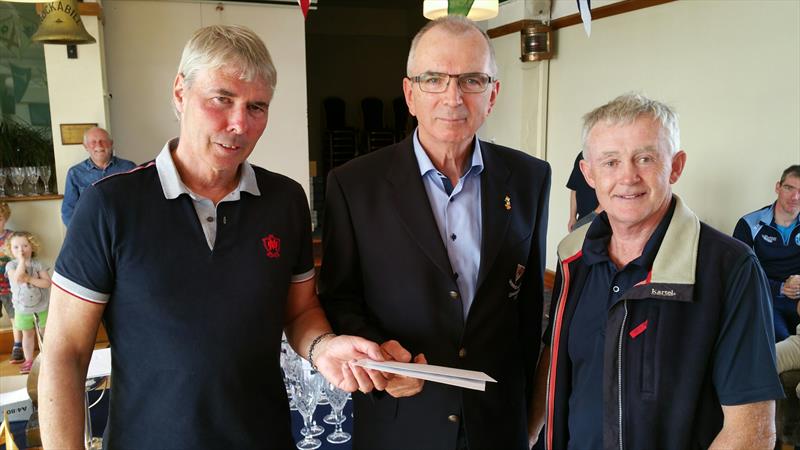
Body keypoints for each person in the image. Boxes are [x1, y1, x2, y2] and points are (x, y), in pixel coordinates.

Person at [39, 25, 387, 449]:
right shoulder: (110, 205)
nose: (239, 123)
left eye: (257, 107)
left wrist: (324, 348)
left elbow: (299, 313)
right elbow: (65, 353)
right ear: (180, 93)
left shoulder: (284, 200)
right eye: (222, 99)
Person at [319, 16, 551, 450]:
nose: (453, 97)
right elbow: (339, 299)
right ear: (410, 94)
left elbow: (528, 306)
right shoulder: (354, 185)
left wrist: (526, 418)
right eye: (434, 79)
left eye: (472, 80)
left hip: (497, 423)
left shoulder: (529, 178)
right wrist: (378, 355)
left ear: (493, 94)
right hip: (401, 420)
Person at [529, 93, 784, 449]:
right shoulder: (573, 255)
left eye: (645, 158)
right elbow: (554, 360)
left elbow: (750, 432)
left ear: (676, 166)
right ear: (589, 174)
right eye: (610, 162)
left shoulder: (728, 267)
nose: (627, 177)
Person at [734, 165, 800, 342]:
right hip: (765, 298)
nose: (795, 197)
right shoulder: (749, 223)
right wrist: (780, 288)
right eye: (789, 188)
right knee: (781, 346)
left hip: (798, 297)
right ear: (778, 187)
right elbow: (739, 274)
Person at [60, 126, 136, 227]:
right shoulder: (75, 173)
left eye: (103, 141)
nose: (99, 145)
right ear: (86, 146)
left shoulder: (129, 168)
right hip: (91, 231)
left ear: (111, 143)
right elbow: (68, 211)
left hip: (124, 229)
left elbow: (140, 200)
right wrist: (81, 234)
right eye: (93, 142)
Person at [4, 231, 51, 374]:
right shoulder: (11, 266)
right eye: (16, 247)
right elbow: (18, 278)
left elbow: (47, 283)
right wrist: (22, 261)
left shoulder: (38, 264)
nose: (21, 250)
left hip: (41, 306)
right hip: (22, 309)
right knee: (27, 335)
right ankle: (29, 360)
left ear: (32, 247)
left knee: (44, 333)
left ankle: (47, 358)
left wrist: (30, 279)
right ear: (10, 250)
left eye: (24, 245)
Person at [0, 202, 23, 363]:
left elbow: (20, 257)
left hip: (10, 288)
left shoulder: (11, 238)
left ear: (5, 218)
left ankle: (17, 346)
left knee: (16, 317)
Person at [566, 150, 599, 231]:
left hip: (601, 217)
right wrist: (572, 217)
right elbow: (574, 188)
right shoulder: (582, 156)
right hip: (583, 219)